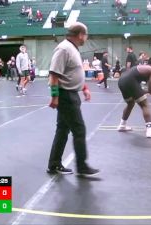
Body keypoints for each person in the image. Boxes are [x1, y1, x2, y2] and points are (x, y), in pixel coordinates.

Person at [47, 22, 99, 176]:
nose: (86, 38)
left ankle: (54, 164)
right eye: (86, 35)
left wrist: (84, 88)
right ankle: (82, 166)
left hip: (71, 93)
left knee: (63, 130)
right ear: (81, 35)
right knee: (79, 130)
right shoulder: (64, 48)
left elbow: (72, 72)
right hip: (65, 95)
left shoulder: (72, 48)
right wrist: (55, 96)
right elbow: (54, 75)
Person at [117, 57, 151, 138]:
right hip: (130, 81)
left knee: (130, 103)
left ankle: (122, 125)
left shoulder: (142, 67)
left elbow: (140, 90)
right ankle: (150, 130)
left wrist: (150, 91)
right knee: (144, 104)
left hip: (121, 81)